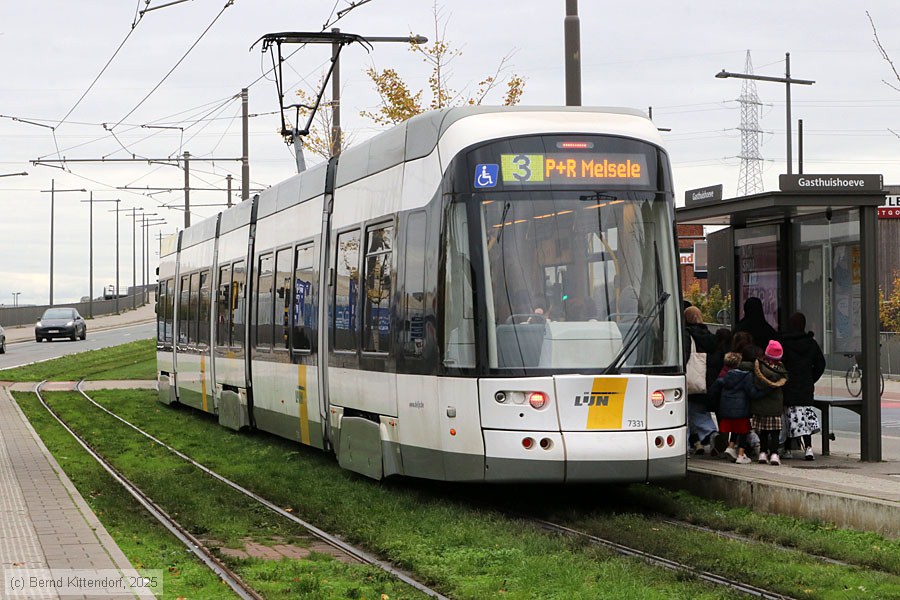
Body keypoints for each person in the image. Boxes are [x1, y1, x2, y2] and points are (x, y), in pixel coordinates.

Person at [779, 312, 826, 461]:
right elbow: (820, 364)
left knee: (789, 415)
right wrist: (811, 378)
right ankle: (809, 448)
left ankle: (787, 448)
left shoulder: (784, 342)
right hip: (805, 384)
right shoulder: (811, 343)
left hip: (788, 384)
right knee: (805, 415)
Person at [709, 345, 760, 464]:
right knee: (743, 431)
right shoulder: (746, 376)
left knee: (735, 429)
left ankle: (731, 447)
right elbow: (751, 392)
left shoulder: (726, 376)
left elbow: (714, 390)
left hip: (727, 408)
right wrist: (764, 392)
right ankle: (741, 455)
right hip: (742, 408)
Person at [683, 306, 721, 455]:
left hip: (691, 379)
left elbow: (685, 356)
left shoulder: (687, 334)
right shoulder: (709, 335)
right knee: (698, 409)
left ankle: (687, 444)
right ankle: (711, 433)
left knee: (685, 412)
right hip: (705, 381)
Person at [751, 340, 789, 465]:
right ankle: (774, 454)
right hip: (775, 405)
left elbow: (756, 383)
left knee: (763, 431)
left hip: (761, 405)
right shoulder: (780, 370)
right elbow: (786, 379)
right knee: (775, 432)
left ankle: (762, 453)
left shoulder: (759, 367)